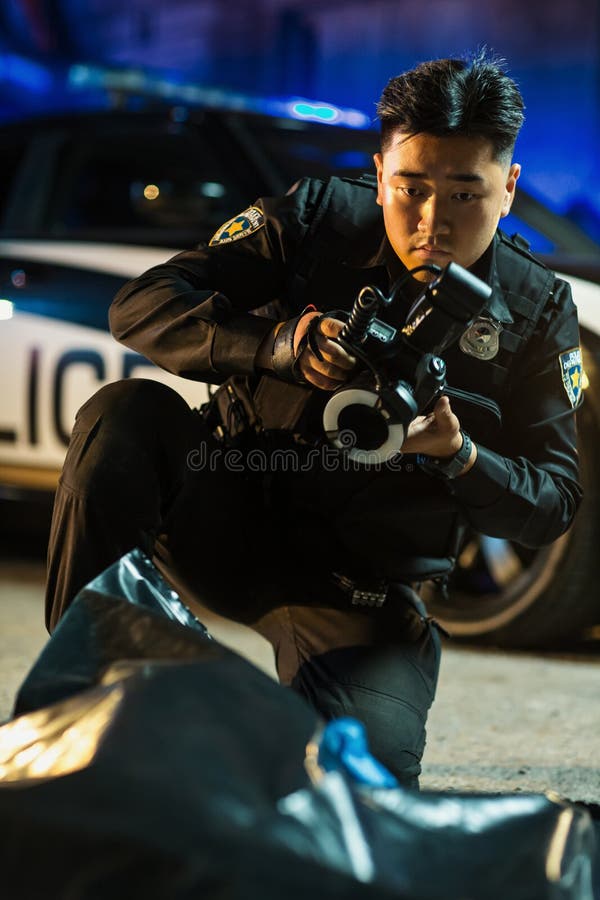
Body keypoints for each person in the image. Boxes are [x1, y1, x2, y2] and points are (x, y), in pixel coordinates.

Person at [45, 51, 583, 788]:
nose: (432, 222)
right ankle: (75, 709)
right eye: (411, 189)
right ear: (380, 170)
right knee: (123, 415)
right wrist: (273, 346)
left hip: (361, 583)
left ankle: (225, 720)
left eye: (465, 194)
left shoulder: (538, 309)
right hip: (228, 510)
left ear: (509, 187)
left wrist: (460, 457)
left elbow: (554, 502)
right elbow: (138, 306)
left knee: (363, 789)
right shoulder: (321, 218)